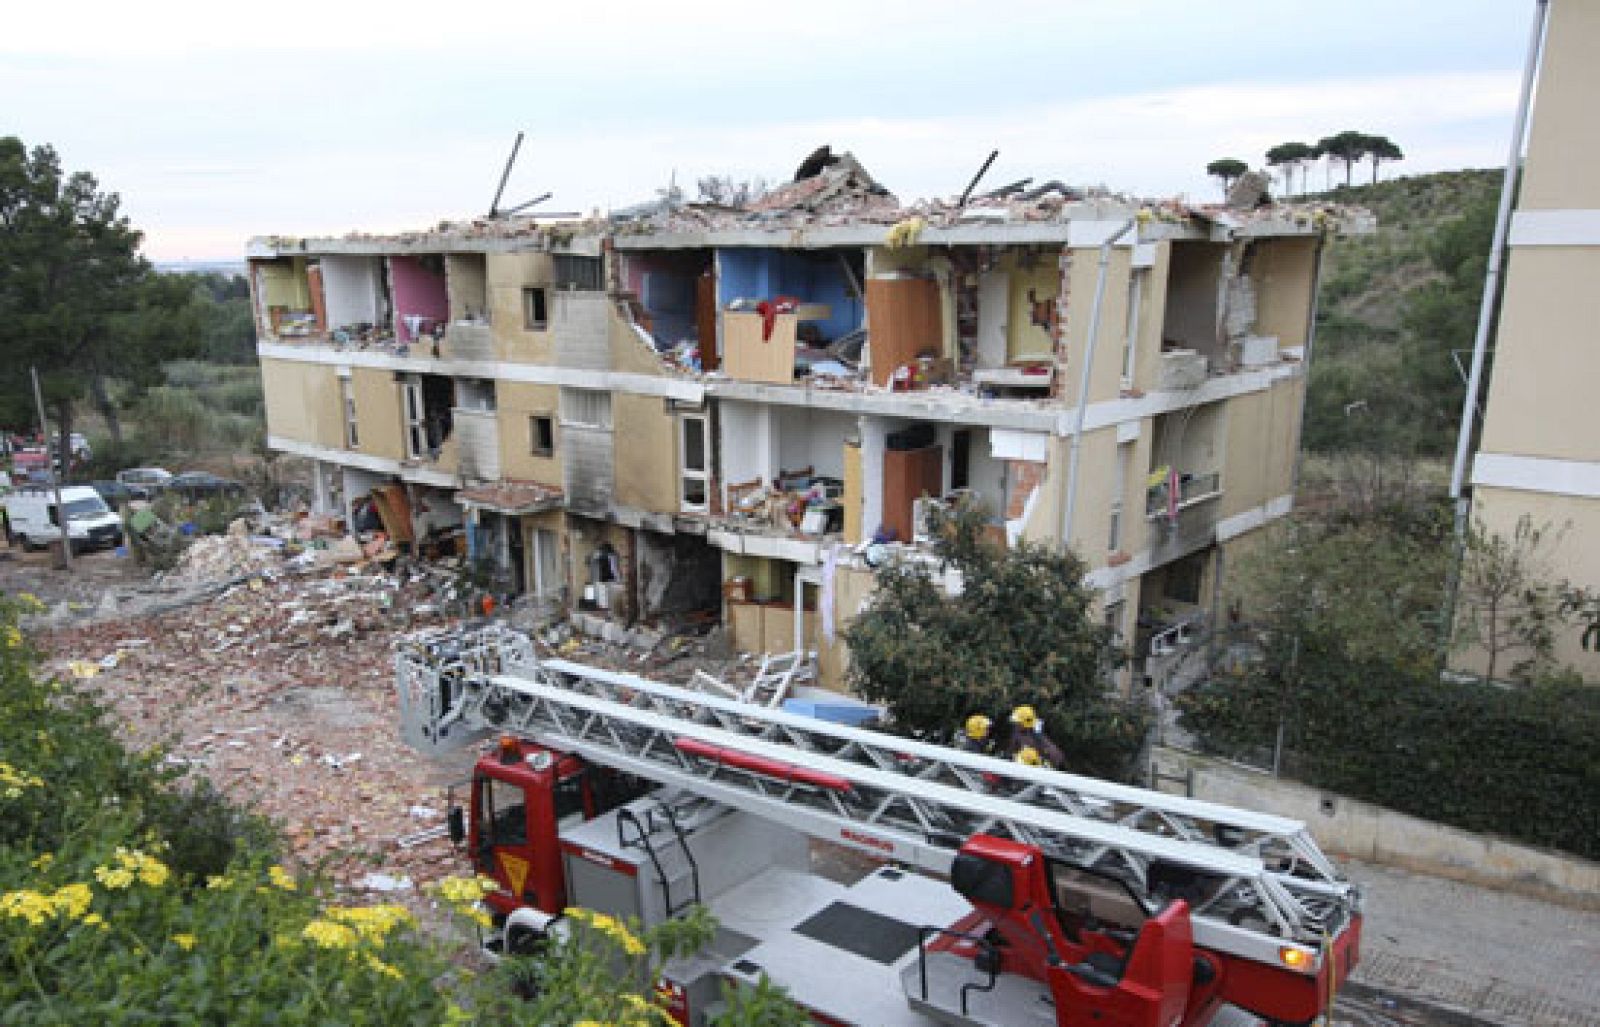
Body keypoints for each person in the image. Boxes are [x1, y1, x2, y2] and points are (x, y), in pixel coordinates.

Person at [1005, 704, 1065, 769]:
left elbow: (1058, 758)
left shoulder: (1038, 738)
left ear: (1025, 723)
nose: (1015, 725)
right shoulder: (1017, 733)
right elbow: (1010, 753)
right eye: (1015, 723)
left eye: (1017, 723)